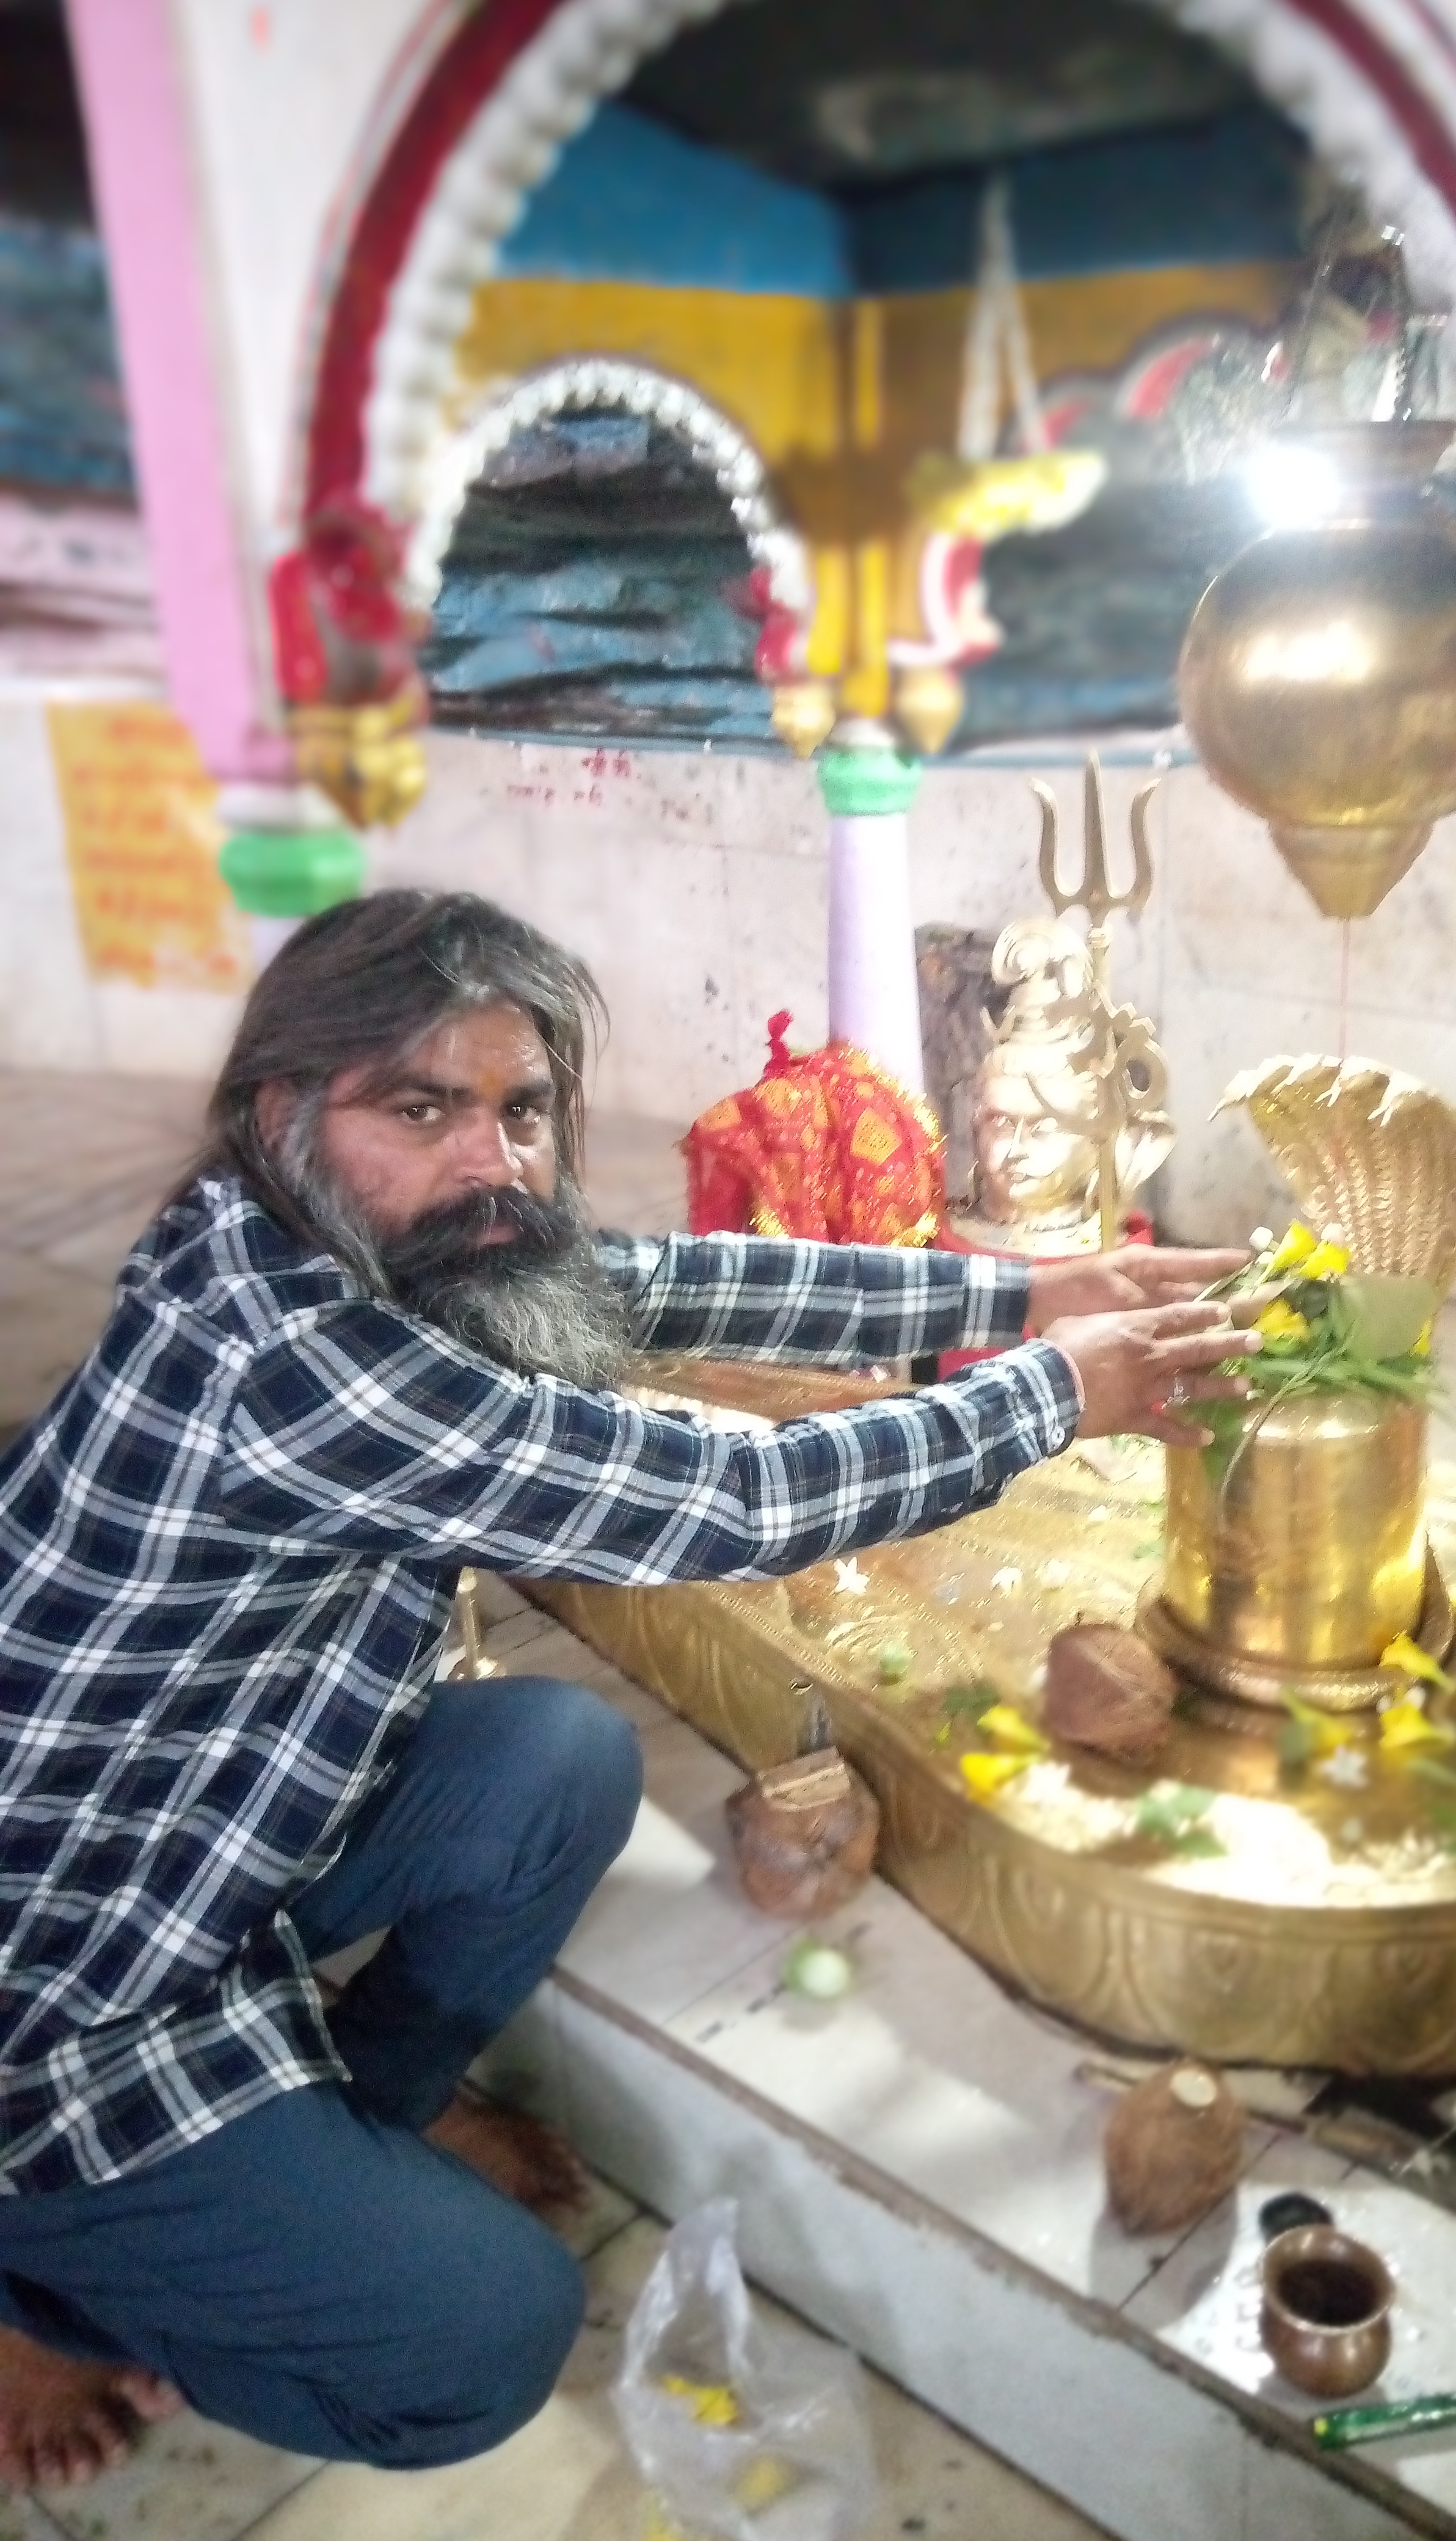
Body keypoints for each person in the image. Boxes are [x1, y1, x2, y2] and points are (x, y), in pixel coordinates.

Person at [0, 889, 1259, 2487]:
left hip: (198, 1858)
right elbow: (738, 1501)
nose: (494, 1160)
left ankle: (347, 2125)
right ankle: (52, 2294)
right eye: (420, 1109)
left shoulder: (329, 1230)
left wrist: (1017, 1298)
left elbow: (653, 1281)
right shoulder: (298, 1361)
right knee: (488, 2339)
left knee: (555, 1763)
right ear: (280, 1115)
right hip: (59, 2000)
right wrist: (1053, 1395)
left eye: (523, 1111)